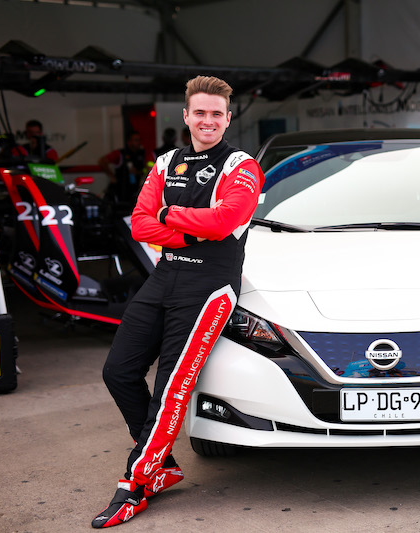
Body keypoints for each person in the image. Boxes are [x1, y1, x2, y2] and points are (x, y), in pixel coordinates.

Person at [92, 75, 265, 528]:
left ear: (228, 119)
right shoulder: (167, 161)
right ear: (186, 116)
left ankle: (137, 482)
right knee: (118, 371)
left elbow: (228, 219)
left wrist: (168, 216)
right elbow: (139, 223)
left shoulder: (242, 165)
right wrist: (192, 225)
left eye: (216, 114)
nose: (208, 120)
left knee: (170, 389)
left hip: (210, 284)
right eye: (200, 112)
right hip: (166, 275)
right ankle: (161, 460)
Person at [98, 131, 148, 209]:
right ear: (129, 142)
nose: (138, 142)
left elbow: (146, 169)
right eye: (136, 140)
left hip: (134, 190)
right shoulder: (120, 153)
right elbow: (102, 161)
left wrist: (138, 172)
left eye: (139, 140)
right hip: (120, 190)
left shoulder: (142, 154)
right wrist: (111, 176)